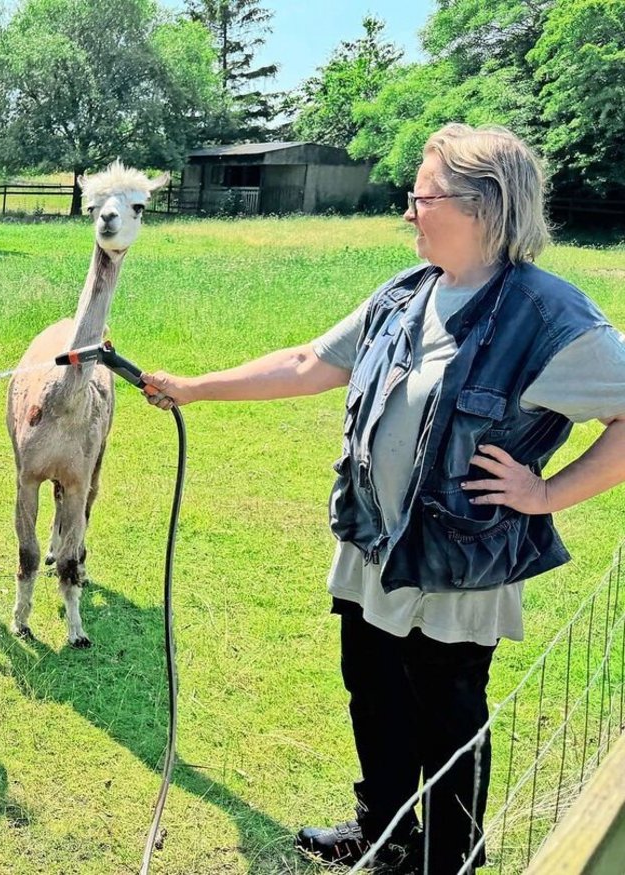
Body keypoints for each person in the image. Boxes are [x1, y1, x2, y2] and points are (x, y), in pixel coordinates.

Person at [142, 124, 625, 873]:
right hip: (373, 544)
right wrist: (195, 388)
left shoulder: (549, 318)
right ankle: (384, 832)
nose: (407, 211)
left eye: (421, 197)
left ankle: (449, 858)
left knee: (449, 715)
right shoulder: (406, 294)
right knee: (373, 691)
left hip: (458, 565)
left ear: (482, 205)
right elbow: (309, 361)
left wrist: (545, 492)